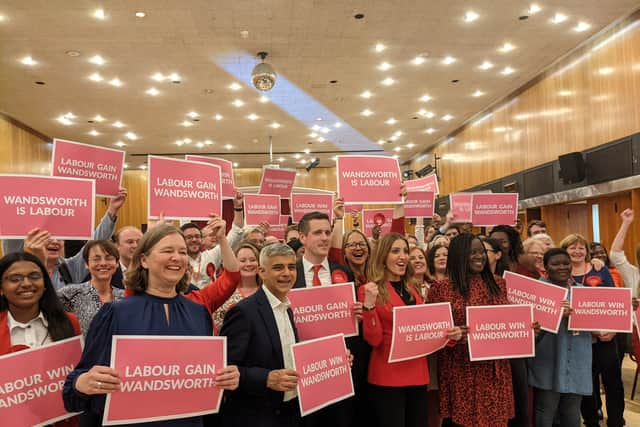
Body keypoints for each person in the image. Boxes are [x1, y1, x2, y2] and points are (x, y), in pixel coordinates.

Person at [62, 224, 239, 426]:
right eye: (167, 251)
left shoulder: (199, 313)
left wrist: (225, 378)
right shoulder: (116, 314)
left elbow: (205, 381)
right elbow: (72, 392)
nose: (177, 257)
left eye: (182, 252)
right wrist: (83, 382)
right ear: (144, 260)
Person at [428, 233, 515, 427]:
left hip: (495, 369)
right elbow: (433, 331)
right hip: (460, 368)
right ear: (459, 255)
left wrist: (527, 329)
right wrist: (453, 335)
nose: (480, 256)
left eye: (482, 252)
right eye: (473, 252)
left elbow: (507, 321)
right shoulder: (441, 288)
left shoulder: (498, 283)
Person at [359, 232, 444, 427]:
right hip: (388, 376)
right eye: (395, 251)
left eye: (405, 251)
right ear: (382, 256)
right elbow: (374, 340)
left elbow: (424, 329)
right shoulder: (370, 289)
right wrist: (369, 307)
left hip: (418, 373)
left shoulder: (413, 288)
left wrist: (448, 334)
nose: (403, 256)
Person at [220, 243, 301, 427]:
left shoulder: (287, 309)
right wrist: (266, 378)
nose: (287, 273)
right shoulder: (243, 312)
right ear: (261, 272)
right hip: (256, 416)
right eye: (278, 267)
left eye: (291, 267)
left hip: (290, 411)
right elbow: (225, 369)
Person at [3, 188, 128, 290]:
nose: (56, 241)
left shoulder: (69, 268)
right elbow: (11, 234)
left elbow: (95, 241)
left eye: (60, 238)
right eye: (48, 237)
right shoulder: (18, 266)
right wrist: (18, 205)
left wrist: (112, 210)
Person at [559, 233, 624, 427]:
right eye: (572, 247)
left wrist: (613, 329)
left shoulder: (600, 269)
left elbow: (614, 299)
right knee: (586, 383)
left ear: (587, 251)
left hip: (606, 337)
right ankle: (591, 420)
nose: (577, 251)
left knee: (613, 381)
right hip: (578, 339)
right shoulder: (560, 272)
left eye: (581, 247)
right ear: (564, 250)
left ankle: (616, 420)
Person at [528, 248, 592, 427]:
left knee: (572, 411)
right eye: (555, 264)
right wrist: (555, 314)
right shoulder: (535, 292)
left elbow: (600, 322)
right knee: (545, 409)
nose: (562, 267)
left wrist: (627, 307)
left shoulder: (583, 292)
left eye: (566, 263)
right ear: (545, 267)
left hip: (578, 360)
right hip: (548, 360)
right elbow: (528, 332)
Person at [1, 252, 81, 354]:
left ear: (44, 284)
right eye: (15, 279)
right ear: (1, 288)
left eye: (34, 277)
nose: (27, 284)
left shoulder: (70, 321)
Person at [57, 240, 125, 335]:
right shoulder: (69, 294)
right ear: (86, 264)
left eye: (109, 258)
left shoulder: (126, 297)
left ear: (117, 263)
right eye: (96, 259)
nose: (103, 263)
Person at [181, 190, 245, 288]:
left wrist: (238, 207)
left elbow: (237, 232)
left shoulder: (211, 256)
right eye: (189, 237)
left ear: (201, 239)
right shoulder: (176, 260)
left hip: (209, 302)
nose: (194, 240)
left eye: (197, 236)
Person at [213, 242, 261, 332]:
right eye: (242, 261)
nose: (248, 264)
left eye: (253, 260)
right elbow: (217, 329)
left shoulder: (267, 291)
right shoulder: (225, 294)